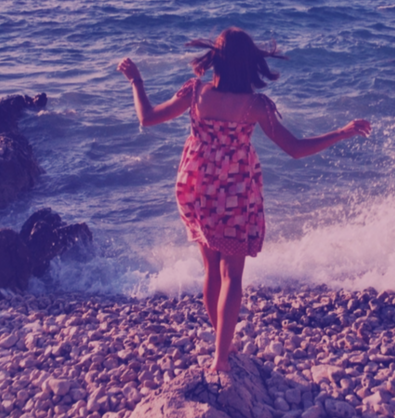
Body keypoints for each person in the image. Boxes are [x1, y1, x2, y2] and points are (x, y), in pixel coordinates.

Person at [117, 27, 371, 372]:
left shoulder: (195, 92)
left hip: (196, 188)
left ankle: (223, 345)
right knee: (232, 276)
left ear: (216, 59)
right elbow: (295, 149)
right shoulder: (256, 106)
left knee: (211, 270)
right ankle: (221, 358)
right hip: (234, 192)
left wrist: (136, 81)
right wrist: (341, 132)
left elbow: (147, 117)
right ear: (250, 64)